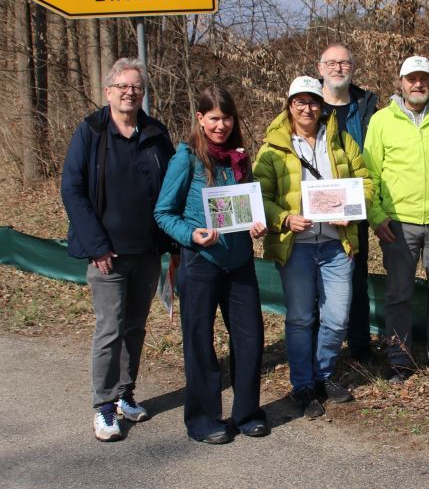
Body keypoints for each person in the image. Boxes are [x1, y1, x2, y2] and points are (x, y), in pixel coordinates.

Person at [61, 58, 175, 442]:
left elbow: (173, 186)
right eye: (123, 86)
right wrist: (96, 245)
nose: (130, 93)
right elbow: (72, 189)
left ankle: (126, 394)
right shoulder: (91, 132)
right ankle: (104, 406)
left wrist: (174, 241)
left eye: (136, 87)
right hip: (106, 254)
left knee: (135, 327)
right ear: (108, 91)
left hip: (148, 250)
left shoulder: (156, 133)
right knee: (110, 328)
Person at [154, 86, 269, 444]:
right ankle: (203, 420)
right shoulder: (186, 158)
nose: (221, 126)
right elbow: (163, 213)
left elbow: (247, 207)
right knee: (200, 342)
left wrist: (257, 225)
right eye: (214, 119)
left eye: (227, 118)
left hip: (239, 263)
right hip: (200, 263)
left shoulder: (240, 158)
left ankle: (247, 413)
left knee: (250, 338)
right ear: (200, 119)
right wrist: (191, 236)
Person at [254, 76, 372, 420]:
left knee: (336, 317)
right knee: (301, 318)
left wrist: (352, 209)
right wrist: (285, 218)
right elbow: (260, 196)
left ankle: (323, 374)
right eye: (300, 102)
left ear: (322, 106)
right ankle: (303, 385)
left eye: (313, 102)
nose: (307, 108)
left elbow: (366, 181)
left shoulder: (341, 140)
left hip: (337, 245)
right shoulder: (273, 148)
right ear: (289, 105)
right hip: (296, 248)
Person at [364, 56, 429, 382]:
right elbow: (370, 172)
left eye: (424, 79)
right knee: (398, 294)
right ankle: (400, 359)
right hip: (397, 223)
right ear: (401, 83)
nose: (418, 84)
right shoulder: (382, 120)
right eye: (412, 78)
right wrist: (376, 216)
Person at [318, 43, 379, 362]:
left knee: (357, 275)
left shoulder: (366, 106)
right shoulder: (307, 104)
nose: (338, 68)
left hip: (356, 206)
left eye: (344, 63)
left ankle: (359, 345)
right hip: (316, 208)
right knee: (317, 278)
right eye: (331, 63)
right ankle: (319, 347)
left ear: (352, 68)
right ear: (320, 68)